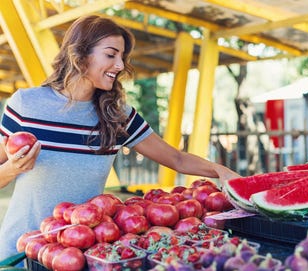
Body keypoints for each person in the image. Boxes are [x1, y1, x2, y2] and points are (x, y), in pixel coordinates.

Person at [0, 15, 240, 259]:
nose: (120, 65)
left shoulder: (117, 115)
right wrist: (12, 168)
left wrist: (221, 171)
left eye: (122, 57)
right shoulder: (26, 104)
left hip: (81, 256)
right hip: (22, 251)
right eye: (111, 54)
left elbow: (176, 158)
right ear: (80, 55)